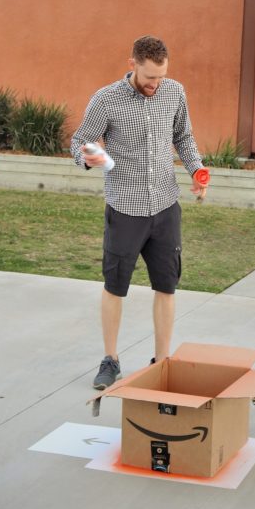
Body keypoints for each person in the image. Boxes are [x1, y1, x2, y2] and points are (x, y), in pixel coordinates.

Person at [71, 35, 207, 390]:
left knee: (167, 286)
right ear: (132, 64)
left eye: (160, 77)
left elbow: (184, 137)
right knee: (115, 286)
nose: (155, 84)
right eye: (149, 78)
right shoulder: (106, 99)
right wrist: (87, 156)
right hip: (125, 208)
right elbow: (79, 140)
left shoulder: (174, 92)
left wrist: (197, 170)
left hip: (165, 205)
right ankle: (110, 359)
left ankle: (162, 361)